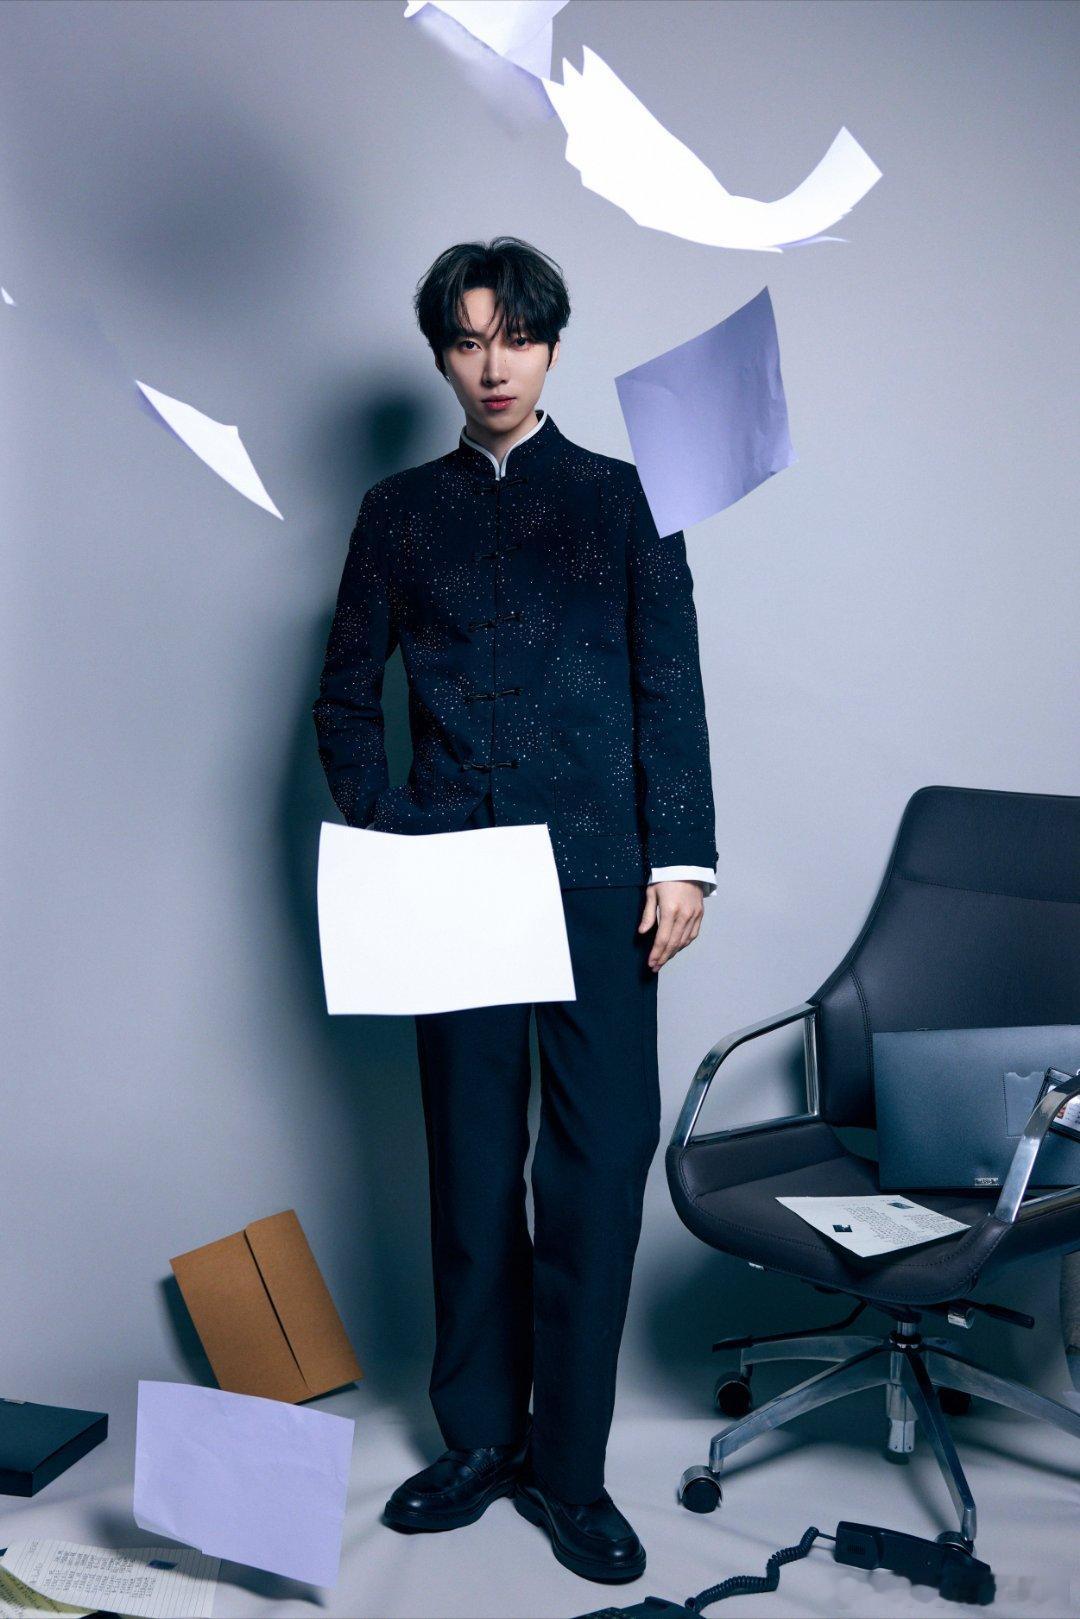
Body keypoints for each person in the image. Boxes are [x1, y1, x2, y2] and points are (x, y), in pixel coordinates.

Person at [312, 236, 717, 1585]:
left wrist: (685, 859)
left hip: (603, 870)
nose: (495, 365)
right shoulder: (397, 511)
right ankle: (479, 1439)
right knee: (474, 1165)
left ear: (552, 347)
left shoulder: (624, 497)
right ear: (442, 354)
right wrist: (390, 830)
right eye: (469, 340)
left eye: (518, 339)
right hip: (450, 877)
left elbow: (669, 684)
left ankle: (571, 1468)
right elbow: (343, 693)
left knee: (595, 1168)